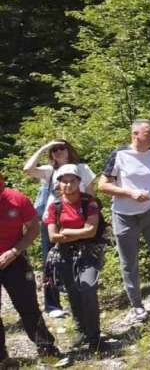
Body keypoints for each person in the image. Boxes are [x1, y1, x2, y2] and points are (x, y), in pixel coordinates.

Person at [99, 119, 150, 324]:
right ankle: (137, 305)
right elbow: (103, 185)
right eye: (148, 132)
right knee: (129, 263)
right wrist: (129, 192)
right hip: (124, 215)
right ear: (135, 134)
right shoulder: (119, 155)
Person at [23, 139, 95, 318]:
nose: (58, 152)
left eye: (61, 148)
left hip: (80, 219)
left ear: (69, 149)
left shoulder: (83, 169)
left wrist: (93, 216)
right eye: (54, 150)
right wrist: (44, 147)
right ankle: (52, 304)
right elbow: (27, 169)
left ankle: (82, 299)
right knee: (51, 261)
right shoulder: (50, 171)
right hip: (53, 220)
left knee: (83, 259)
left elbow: (92, 193)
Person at [0, 170, 62, 363]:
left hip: (14, 259)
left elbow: (34, 229)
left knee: (28, 306)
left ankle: (47, 349)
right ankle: (2, 358)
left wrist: (14, 251)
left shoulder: (17, 199)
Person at [44, 164, 105, 353]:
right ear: (58, 184)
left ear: (79, 182)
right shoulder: (54, 206)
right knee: (73, 293)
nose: (68, 185)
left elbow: (91, 231)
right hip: (64, 253)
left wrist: (68, 231)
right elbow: (52, 236)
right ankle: (82, 331)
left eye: (72, 181)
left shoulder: (90, 203)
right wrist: (78, 233)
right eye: (64, 181)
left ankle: (94, 336)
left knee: (87, 289)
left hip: (88, 252)